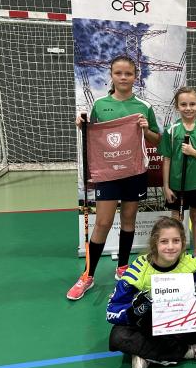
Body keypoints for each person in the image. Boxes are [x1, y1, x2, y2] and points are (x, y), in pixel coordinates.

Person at [67, 55, 160, 301]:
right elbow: (93, 135)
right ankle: (88, 275)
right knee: (103, 223)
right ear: (111, 75)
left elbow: (156, 140)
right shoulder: (100, 105)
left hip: (134, 172)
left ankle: (123, 267)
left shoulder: (144, 106)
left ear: (136, 76)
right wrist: (82, 125)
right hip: (108, 174)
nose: (123, 77)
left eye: (128, 73)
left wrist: (145, 129)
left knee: (128, 219)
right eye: (118, 73)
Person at [107, 217, 196, 368]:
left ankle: (150, 355)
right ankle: (191, 351)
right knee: (118, 337)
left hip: (183, 325)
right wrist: (133, 311)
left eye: (176, 241)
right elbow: (112, 311)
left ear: (183, 242)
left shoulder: (194, 265)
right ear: (155, 243)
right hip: (150, 328)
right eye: (164, 241)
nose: (170, 247)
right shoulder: (138, 271)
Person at [161, 86, 196, 257]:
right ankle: (177, 254)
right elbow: (167, 159)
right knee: (176, 219)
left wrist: (193, 152)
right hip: (176, 184)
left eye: (192, 104)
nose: (188, 108)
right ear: (177, 107)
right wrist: (166, 186)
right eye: (183, 104)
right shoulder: (171, 130)